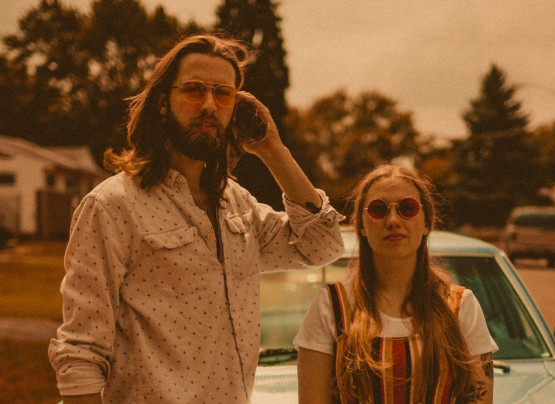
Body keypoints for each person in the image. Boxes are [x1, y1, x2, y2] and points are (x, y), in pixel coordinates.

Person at [48, 33, 344, 403]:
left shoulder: (238, 205)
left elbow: (322, 246)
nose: (208, 105)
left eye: (223, 94)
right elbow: (81, 353)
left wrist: (273, 150)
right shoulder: (112, 205)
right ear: (162, 102)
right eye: (193, 90)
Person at [294, 164, 498, 404]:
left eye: (407, 208)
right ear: (362, 226)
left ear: (426, 223)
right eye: (378, 210)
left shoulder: (461, 306)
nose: (392, 220)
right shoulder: (331, 305)